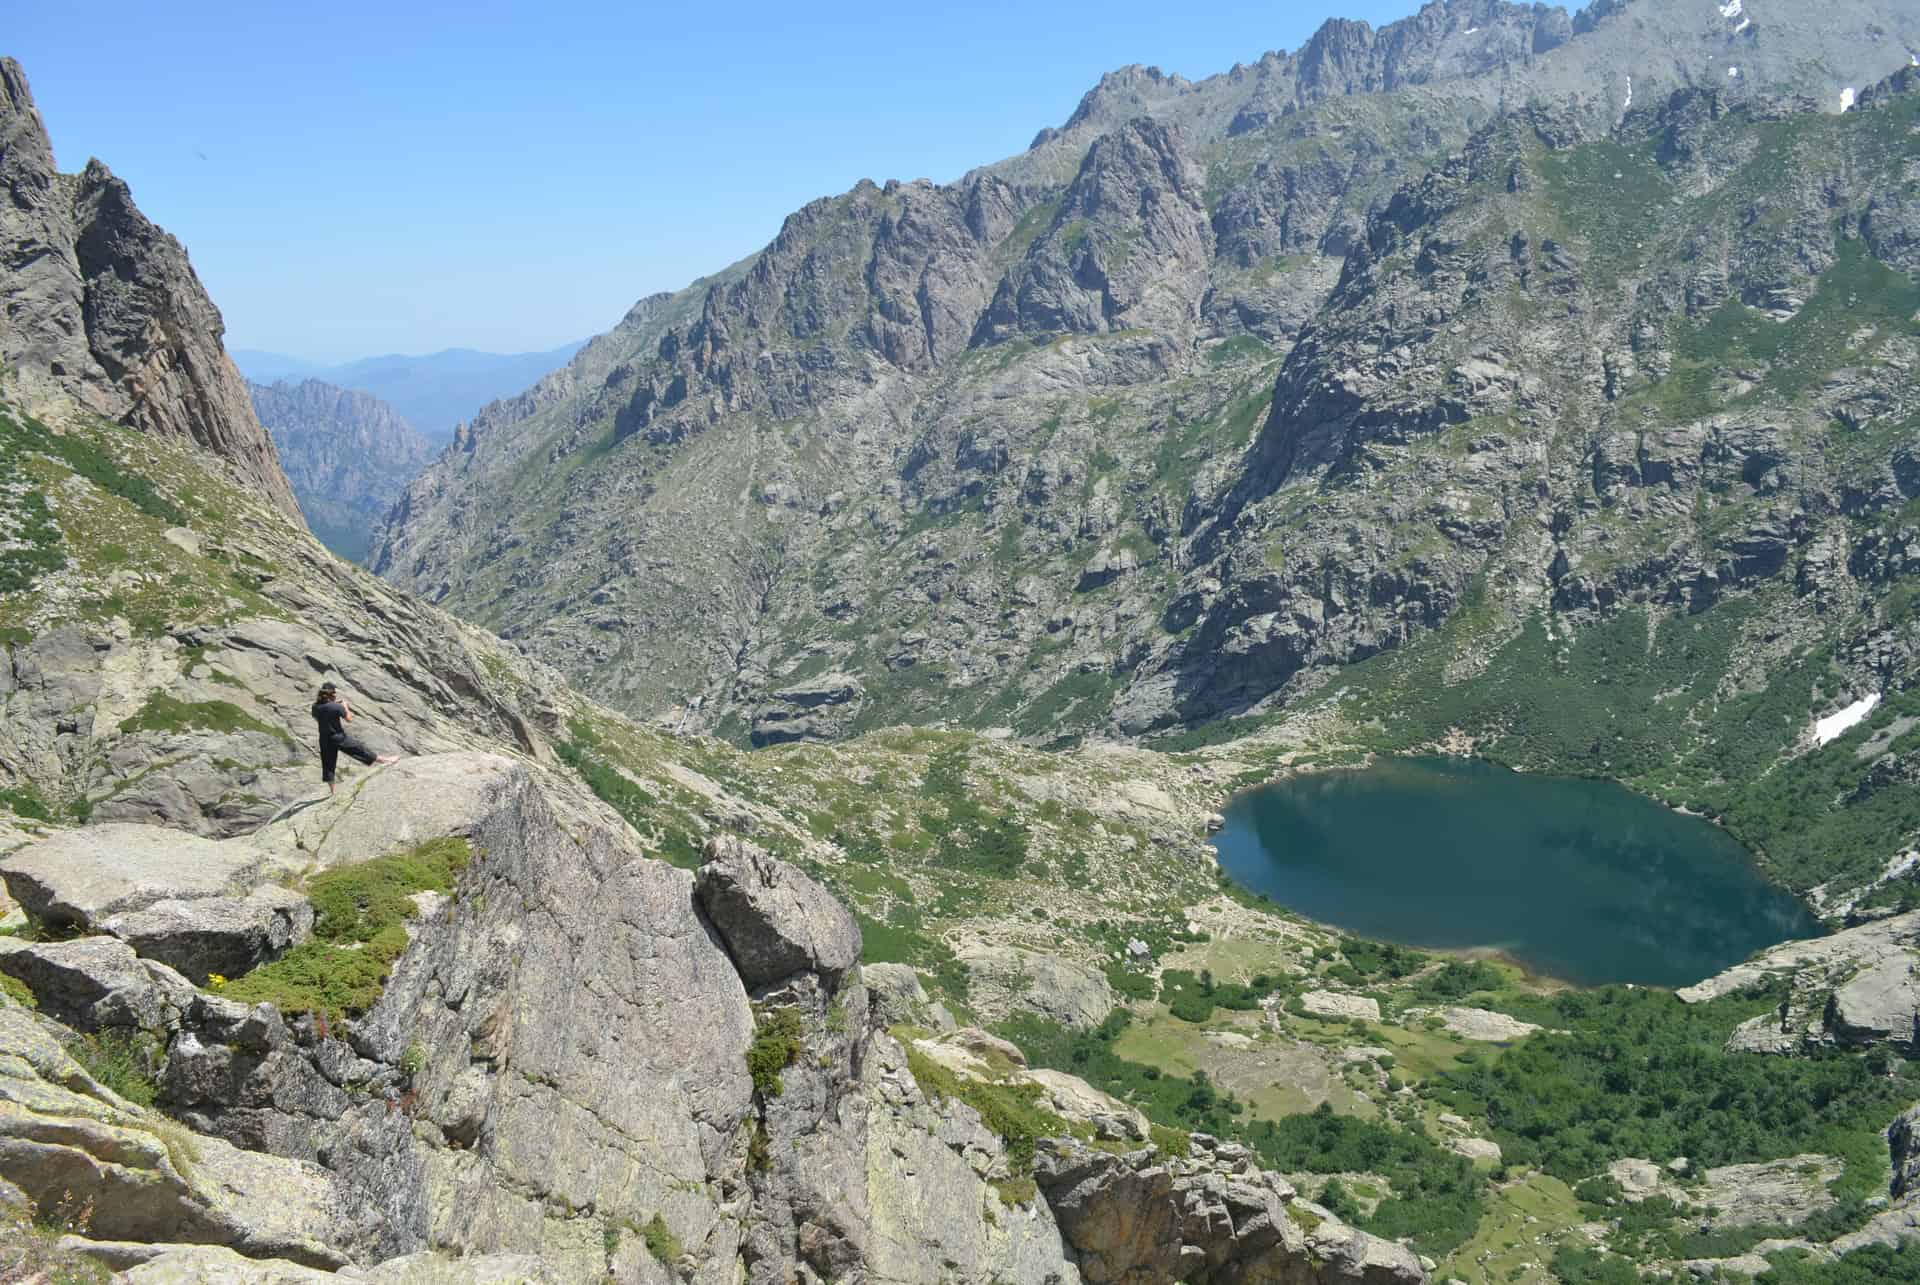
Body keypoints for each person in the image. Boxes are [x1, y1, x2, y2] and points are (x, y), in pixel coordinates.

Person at [311, 682, 397, 795]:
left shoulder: (316, 707)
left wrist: (335, 706)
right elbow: (349, 719)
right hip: (338, 737)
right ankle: (385, 760)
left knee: (328, 764)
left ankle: (332, 792)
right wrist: (345, 707)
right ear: (331, 694)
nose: (335, 695)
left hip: (324, 739)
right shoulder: (336, 706)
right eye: (334, 693)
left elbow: (318, 715)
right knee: (359, 748)